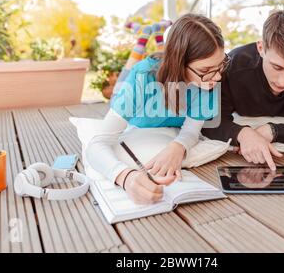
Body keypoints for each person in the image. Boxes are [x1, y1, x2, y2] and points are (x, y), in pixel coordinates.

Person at [86, 14, 229, 204]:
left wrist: (179, 146)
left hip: (163, 123)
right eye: (205, 70)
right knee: (121, 86)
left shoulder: (208, 82)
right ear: (179, 62)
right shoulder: (143, 76)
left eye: (220, 65)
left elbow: (191, 130)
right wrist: (125, 177)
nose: (217, 76)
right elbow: (96, 145)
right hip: (130, 103)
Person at [202, 7, 284, 170]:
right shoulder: (233, 66)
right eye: (277, 67)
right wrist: (243, 134)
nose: (283, 82)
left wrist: (271, 131)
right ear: (261, 48)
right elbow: (210, 120)